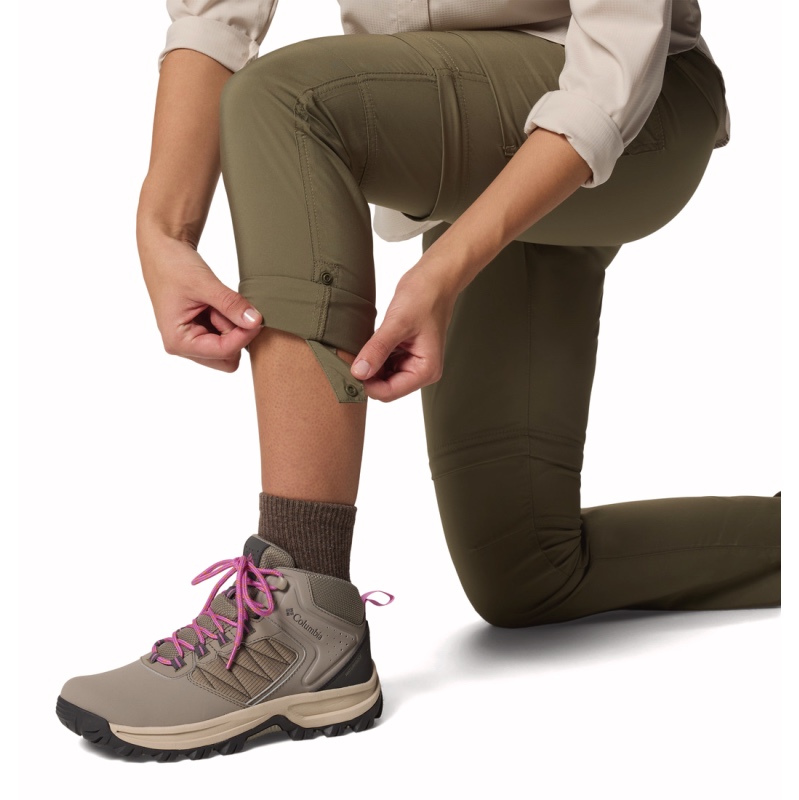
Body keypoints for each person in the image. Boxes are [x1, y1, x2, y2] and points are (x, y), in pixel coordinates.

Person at [55, 0, 780, 760]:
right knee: (527, 570)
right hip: (474, 132)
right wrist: (162, 232)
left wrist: (447, 267)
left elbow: (614, 59)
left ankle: (302, 612)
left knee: (287, 99)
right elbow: (218, 13)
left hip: (638, 109)